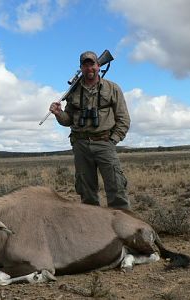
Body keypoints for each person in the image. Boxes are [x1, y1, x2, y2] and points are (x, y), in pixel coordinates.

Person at [49, 51, 131, 209]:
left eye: (92, 64)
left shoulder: (112, 88)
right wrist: (59, 113)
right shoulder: (73, 91)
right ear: (81, 68)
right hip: (81, 146)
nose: (89, 68)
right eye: (85, 65)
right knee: (86, 193)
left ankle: (124, 227)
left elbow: (123, 119)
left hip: (104, 143)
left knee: (116, 188)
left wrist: (113, 140)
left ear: (98, 66)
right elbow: (68, 120)